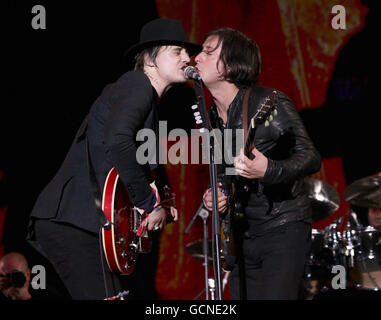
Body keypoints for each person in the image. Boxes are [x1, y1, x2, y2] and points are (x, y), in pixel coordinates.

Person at [26, 18, 201, 300]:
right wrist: (148, 204)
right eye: (176, 51)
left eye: (186, 52)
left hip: (89, 225)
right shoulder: (136, 84)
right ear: (150, 60)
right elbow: (118, 143)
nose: (186, 57)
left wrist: (157, 209)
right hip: (75, 222)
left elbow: (121, 165)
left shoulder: (146, 101)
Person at [196, 27, 321, 300]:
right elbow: (223, 175)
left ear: (230, 64)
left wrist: (269, 170)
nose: (197, 57)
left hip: (283, 228)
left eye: (208, 51)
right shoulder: (212, 118)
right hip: (243, 236)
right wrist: (217, 195)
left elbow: (311, 157)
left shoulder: (267, 101)